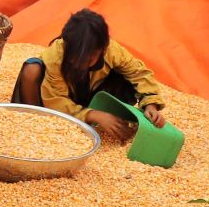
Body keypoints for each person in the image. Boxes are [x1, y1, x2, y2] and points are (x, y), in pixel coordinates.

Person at [10, 9, 168, 139]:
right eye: (75, 57)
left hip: (89, 94)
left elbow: (139, 73)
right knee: (32, 70)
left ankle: (115, 120)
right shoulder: (56, 56)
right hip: (54, 100)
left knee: (128, 77)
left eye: (89, 57)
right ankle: (34, 120)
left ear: (103, 48)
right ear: (66, 45)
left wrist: (150, 105)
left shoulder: (112, 50)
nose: (80, 63)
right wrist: (93, 115)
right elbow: (56, 100)